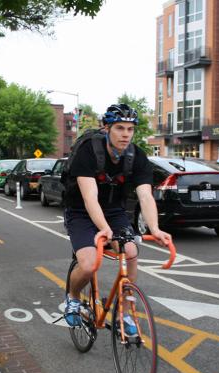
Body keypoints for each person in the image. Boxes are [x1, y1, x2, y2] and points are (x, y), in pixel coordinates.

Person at [63, 103, 171, 335]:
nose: (125, 134)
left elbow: (145, 196)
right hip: (81, 211)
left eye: (130, 129)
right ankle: (72, 297)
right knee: (89, 264)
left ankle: (125, 311)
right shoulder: (88, 151)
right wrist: (104, 229)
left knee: (130, 252)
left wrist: (155, 228)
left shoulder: (136, 156)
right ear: (107, 128)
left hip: (114, 212)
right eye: (120, 128)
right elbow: (90, 197)